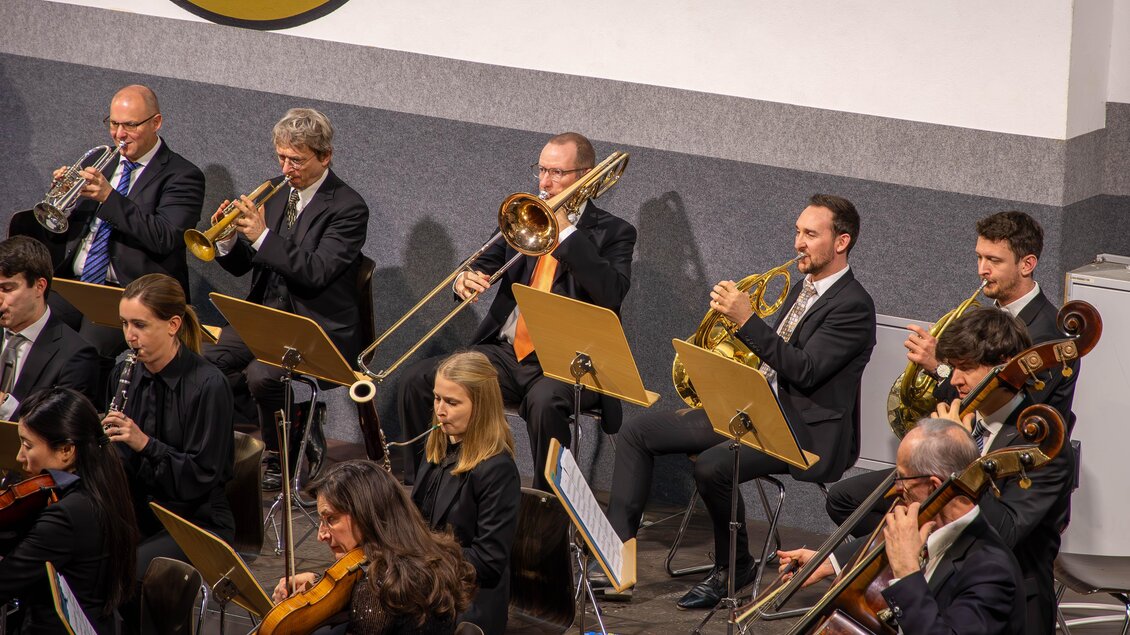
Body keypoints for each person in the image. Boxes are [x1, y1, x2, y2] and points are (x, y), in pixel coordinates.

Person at [601, 194, 876, 610]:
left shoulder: (854, 306)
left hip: (805, 434)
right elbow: (767, 356)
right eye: (797, 231)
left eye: (810, 234)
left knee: (713, 464)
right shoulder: (802, 290)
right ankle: (616, 559)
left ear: (842, 242)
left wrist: (747, 321)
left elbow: (804, 370)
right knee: (639, 431)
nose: (798, 243)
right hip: (753, 411)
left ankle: (735, 567)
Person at [397, 132, 637, 488]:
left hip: (568, 364)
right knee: (417, 381)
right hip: (507, 354)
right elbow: (481, 260)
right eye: (541, 170)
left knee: (544, 404)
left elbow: (611, 292)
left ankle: (547, 515)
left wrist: (568, 234)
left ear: (587, 176)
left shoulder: (615, 232)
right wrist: (464, 278)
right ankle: (425, 491)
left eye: (557, 173)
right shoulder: (526, 216)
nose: (544, 182)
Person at [830, 307, 1073, 635]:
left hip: (1003, 603)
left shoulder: (1045, 448)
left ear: (1005, 367)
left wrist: (962, 463)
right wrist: (833, 559)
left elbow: (1005, 533)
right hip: (937, 583)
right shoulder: (966, 410)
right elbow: (914, 504)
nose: (953, 379)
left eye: (966, 368)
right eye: (953, 367)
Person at [204, 107, 369, 490]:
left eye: (297, 160)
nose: (286, 168)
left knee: (261, 376)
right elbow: (251, 267)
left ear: (325, 156)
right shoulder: (278, 193)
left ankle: (282, 452)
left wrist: (261, 236)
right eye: (281, 157)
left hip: (312, 323)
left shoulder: (348, 207)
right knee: (203, 364)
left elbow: (316, 272)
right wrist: (228, 241)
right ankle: (280, 425)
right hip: (266, 315)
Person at [777, 419, 1027, 635]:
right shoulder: (928, 529)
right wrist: (827, 562)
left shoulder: (990, 571)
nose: (896, 489)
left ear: (933, 486)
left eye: (901, 478)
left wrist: (907, 572)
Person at [44, 84, 205, 383]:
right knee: (26, 322)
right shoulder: (99, 162)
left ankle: (81, 423)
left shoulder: (183, 176)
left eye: (130, 125)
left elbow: (165, 236)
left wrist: (109, 198)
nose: (119, 134)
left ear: (156, 123)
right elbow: (75, 232)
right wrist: (65, 200)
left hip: (129, 292)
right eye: (114, 124)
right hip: (75, 284)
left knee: (83, 352)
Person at [101, 274, 235, 583]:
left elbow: (200, 476)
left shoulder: (209, 385)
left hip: (194, 520)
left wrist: (145, 444)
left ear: (173, 325)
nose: (130, 337)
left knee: (126, 576)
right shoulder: (125, 372)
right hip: (138, 506)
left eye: (140, 325)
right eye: (125, 324)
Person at [271, 460, 476, 634]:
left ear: (366, 516)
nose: (321, 535)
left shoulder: (375, 590)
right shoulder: (422, 560)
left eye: (331, 519)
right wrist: (317, 584)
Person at [0, 388, 139, 635]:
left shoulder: (69, 515)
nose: (20, 456)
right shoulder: (100, 485)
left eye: (27, 445)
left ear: (66, 450)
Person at [410, 351, 521, 635]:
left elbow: (489, 560)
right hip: (428, 579)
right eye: (437, 398)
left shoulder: (497, 469)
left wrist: (422, 558)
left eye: (452, 402)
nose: (440, 410)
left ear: (480, 407)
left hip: (469, 597)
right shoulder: (438, 447)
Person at [0, 236, 99, 419]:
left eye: (7, 289)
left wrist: (6, 405)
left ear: (39, 286)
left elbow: (62, 428)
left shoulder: (76, 356)